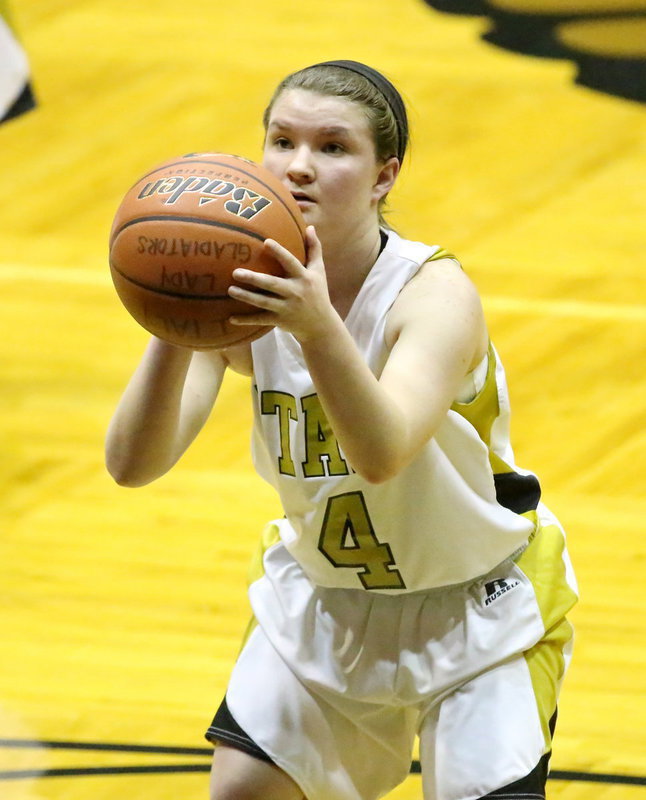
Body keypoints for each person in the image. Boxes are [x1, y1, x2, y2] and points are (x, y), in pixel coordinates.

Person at [106, 60, 578, 800]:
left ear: (383, 176)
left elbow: (382, 451)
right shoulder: (245, 296)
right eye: (282, 140)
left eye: (332, 147)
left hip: (473, 604)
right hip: (327, 602)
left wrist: (316, 323)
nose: (298, 166)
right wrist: (176, 314)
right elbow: (132, 464)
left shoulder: (432, 296)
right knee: (241, 793)